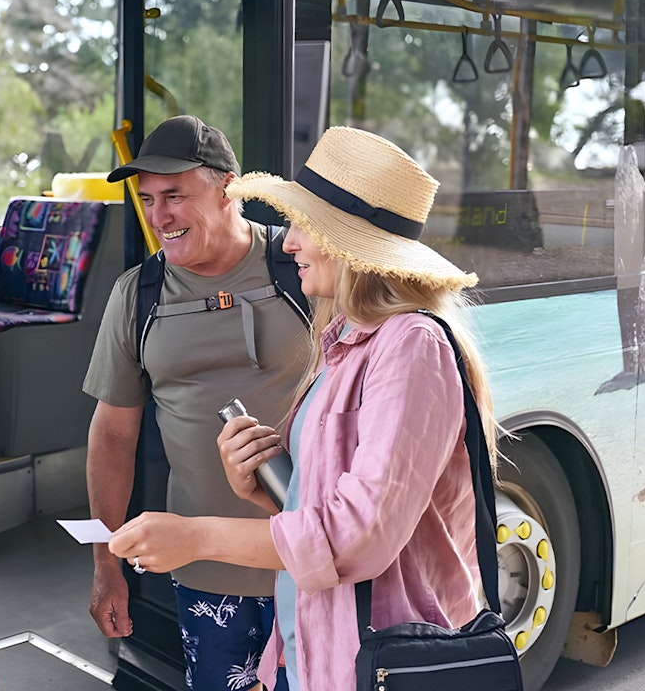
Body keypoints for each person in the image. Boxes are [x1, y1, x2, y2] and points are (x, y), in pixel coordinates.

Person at [107, 126, 499, 690]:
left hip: (379, 653)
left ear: (349, 245)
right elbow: (333, 507)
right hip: (321, 644)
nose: (287, 244)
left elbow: (355, 536)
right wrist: (263, 487)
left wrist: (194, 538)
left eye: (302, 227)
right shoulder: (346, 339)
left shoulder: (412, 346)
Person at [84, 115, 312, 690]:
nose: (159, 216)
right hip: (205, 571)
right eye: (149, 199)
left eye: (175, 196)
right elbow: (113, 436)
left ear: (227, 187)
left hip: (313, 561)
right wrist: (107, 567)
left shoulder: (301, 267)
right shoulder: (138, 294)